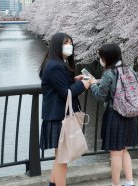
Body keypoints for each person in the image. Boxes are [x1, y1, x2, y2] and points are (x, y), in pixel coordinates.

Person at [39, 32, 91, 186]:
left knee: (60, 157)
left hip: (57, 115)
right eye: (65, 42)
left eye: (70, 42)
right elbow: (65, 93)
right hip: (59, 117)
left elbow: (61, 87)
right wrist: (83, 85)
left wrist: (74, 80)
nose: (69, 45)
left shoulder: (56, 63)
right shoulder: (55, 66)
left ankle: (52, 184)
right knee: (63, 159)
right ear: (56, 45)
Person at [88, 43, 138, 186]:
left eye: (101, 57)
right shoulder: (130, 70)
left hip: (115, 115)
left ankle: (115, 184)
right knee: (125, 151)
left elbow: (100, 96)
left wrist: (92, 84)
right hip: (130, 114)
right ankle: (129, 182)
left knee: (115, 153)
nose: (100, 60)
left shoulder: (109, 74)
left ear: (106, 57)